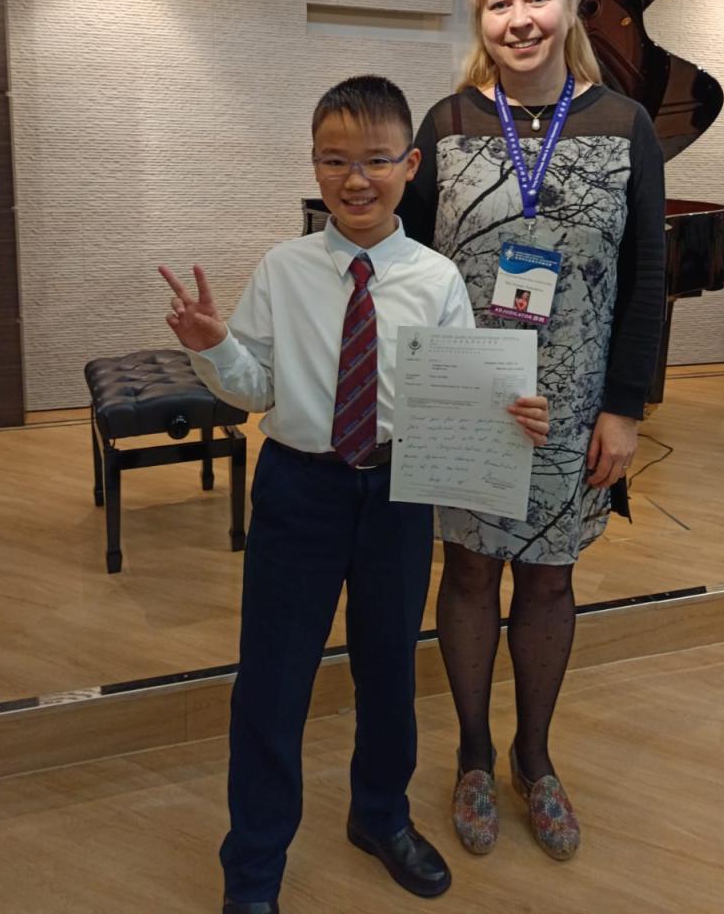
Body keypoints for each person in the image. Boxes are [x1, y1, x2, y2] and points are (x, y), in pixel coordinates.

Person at [158, 75, 550, 914]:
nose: (356, 178)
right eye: (334, 160)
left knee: (388, 671)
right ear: (314, 166)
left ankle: (380, 815)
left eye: (376, 159)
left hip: (398, 495)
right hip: (298, 491)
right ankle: (254, 867)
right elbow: (255, 390)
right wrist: (214, 346)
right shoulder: (283, 269)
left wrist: (511, 415)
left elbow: (460, 396)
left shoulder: (436, 278)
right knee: (272, 684)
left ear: (410, 165)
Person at [401, 0, 666, 862]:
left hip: (574, 405)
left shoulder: (624, 125)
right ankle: (474, 755)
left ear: (570, 4)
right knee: (469, 573)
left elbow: (647, 279)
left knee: (550, 579)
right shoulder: (446, 124)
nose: (519, 18)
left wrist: (624, 410)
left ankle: (534, 758)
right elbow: (403, 261)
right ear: (482, 16)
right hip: (467, 400)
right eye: (499, 1)